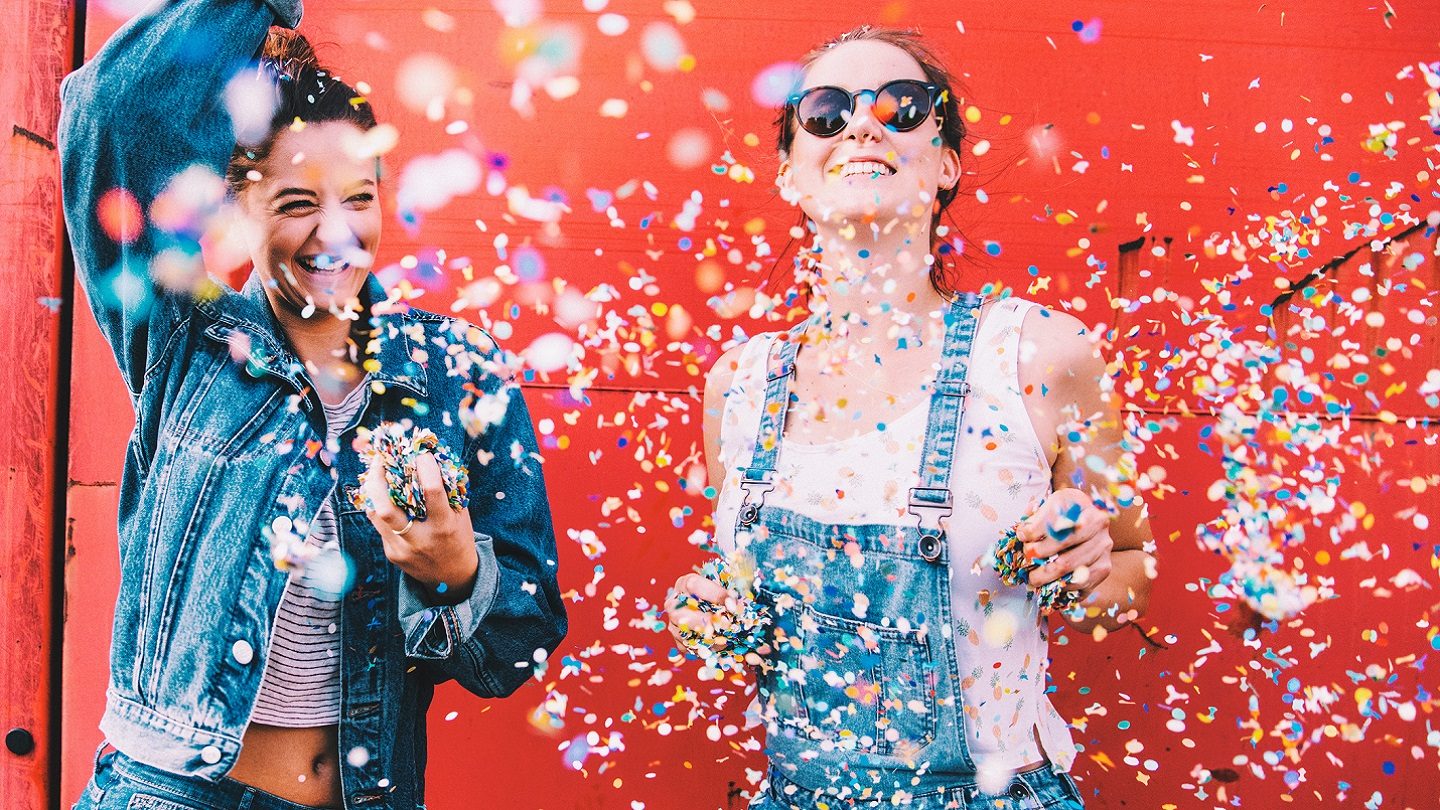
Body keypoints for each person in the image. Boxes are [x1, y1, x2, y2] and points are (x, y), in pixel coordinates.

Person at [59, 0, 565, 807]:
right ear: (236, 207)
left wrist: (457, 574)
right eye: (296, 204)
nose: (335, 235)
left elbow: (520, 647)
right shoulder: (185, 341)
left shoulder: (459, 373)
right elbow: (111, 114)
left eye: (358, 198)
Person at [667, 26, 1154, 809]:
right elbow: (737, 594)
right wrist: (703, 604)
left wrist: (1089, 570)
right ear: (790, 171)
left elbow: (1133, 569)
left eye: (902, 107)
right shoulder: (740, 384)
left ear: (948, 163)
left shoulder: (1044, 356)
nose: (863, 124)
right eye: (825, 111)